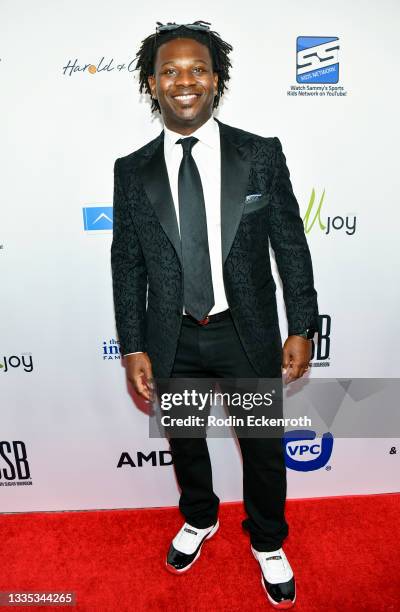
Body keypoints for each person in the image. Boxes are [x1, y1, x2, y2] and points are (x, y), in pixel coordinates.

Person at [111, 20, 319, 609]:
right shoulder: (132, 169)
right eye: (170, 71)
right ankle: (199, 517)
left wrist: (302, 324)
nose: (185, 81)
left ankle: (269, 540)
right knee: (185, 441)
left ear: (217, 78)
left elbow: (290, 244)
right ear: (152, 84)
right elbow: (126, 264)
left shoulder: (259, 154)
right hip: (170, 335)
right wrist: (133, 344)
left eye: (197, 68)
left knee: (261, 445)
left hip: (245, 334)